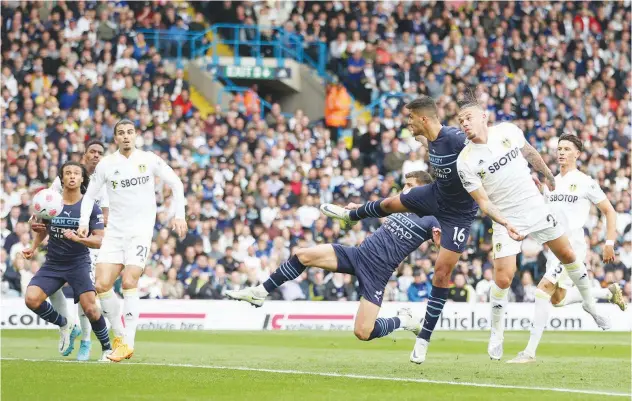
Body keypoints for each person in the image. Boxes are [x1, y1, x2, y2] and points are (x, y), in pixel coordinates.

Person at [320, 96, 478, 363]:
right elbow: (427, 140)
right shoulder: (433, 142)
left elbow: (484, 149)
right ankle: (351, 214)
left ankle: (424, 337)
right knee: (393, 202)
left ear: (423, 118)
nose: (407, 123)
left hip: (459, 214)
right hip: (436, 196)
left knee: (442, 274)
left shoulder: (455, 138)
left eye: (410, 118)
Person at [455, 99, 610, 361]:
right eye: (460, 121)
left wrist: (548, 176)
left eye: (468, 117)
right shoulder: (465, 161)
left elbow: (530, 154)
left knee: (569, 255)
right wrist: (504, 223)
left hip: (535, 208)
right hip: (506, 216)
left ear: (483, 116)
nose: (465, 124)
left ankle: (592, 307)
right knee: (504, 278)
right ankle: (496, 333)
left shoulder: (507, 131)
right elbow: (483, 202)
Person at [226, 171, 440, 342]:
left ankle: (403, 320)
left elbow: (443, 246)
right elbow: (373, 209)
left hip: (378, 272)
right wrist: (355, 209)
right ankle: (260, 292)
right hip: (358, 254)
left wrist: (440, 242)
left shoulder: (432, 218)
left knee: (363, 332)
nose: (405, 189)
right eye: (405, 185)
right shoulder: (397, 203)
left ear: (424, 189)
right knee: (302, 255)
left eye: (410, 186)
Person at [508, 134, 626, 363]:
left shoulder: (585, 181)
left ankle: (529, 352)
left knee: (543, 291)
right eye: (559, 148)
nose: (561, 152)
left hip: (573, 246)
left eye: (567, 149)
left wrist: (609, 242)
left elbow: (610, 211)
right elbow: (545, 216)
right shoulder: (551, 183)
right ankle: (606, 293)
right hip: (554, 247)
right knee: (557, 299)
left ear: (578, 154)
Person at [77, 119, 187, 362]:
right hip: (115, 232)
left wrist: (180, 215)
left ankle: (128, 342)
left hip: (140, 231)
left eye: (129, 132)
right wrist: (84, 223)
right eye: (121, 133)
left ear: (136, 135)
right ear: (115, 138)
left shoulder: (148, 159)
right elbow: (89, 197)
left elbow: (176, 183)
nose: (126, 136)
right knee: (102, 286)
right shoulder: (106, 165)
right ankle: (120, 338)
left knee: (129, 281)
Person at [22, 161, 112, 361]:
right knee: (31, 299)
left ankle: (107, 349)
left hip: (79, 263)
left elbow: (99, 240)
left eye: (76, 173)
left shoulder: (90, 207)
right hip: (53, 263)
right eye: (68, 173)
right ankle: (65, 324)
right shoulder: (52, 202)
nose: (72, 176)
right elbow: (43, 228)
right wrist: (33, 247)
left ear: (82, 179)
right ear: (61, 178)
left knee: (90, 309)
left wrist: (79, 238)